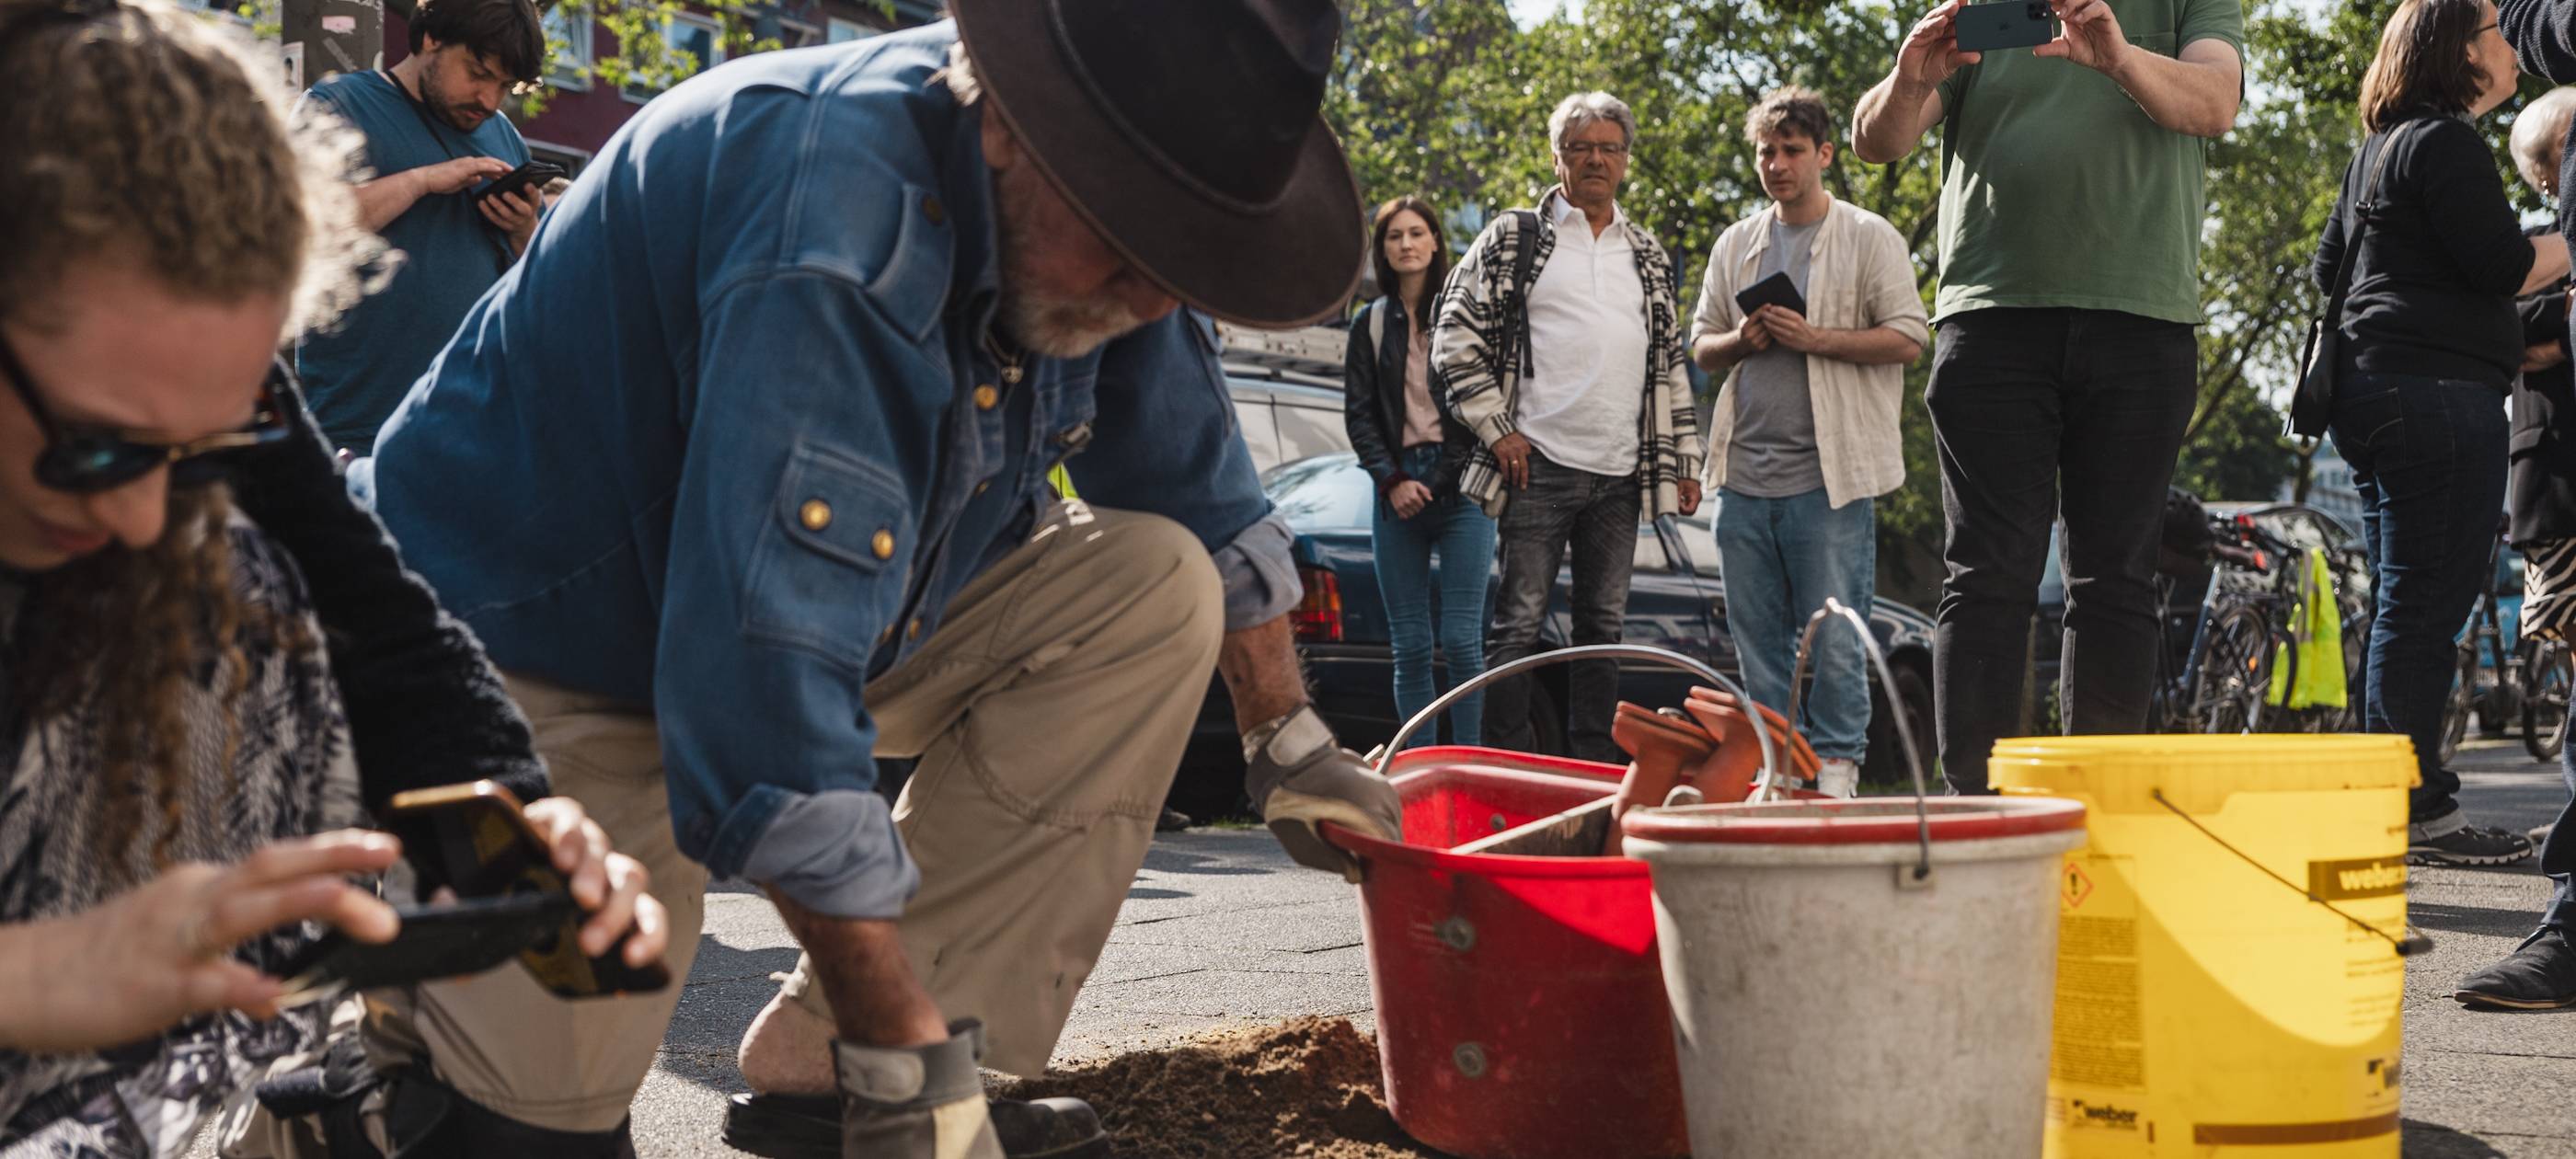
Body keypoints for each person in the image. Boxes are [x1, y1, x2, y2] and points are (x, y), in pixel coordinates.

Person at [350, 4, 1404, 1156]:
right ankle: (371, 1109)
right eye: (1132, 250)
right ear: (1009, 125)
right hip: (524, 638)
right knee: (508, 1130)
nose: (1152, 297)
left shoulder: (1106, 221)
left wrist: (1285, 739)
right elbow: (762, 676)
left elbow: (1189, 474)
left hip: (833, 614)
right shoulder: (828, 223)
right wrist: (895, 1034)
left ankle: (838, 1072)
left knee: (1149, 588)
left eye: (1180, 263)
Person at [0, 0, 662, 1151]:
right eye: (95, 447)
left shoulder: (223, 392)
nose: (144, 508)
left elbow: (379, 618)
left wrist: (518, 813)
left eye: (193, 446)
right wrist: (34, 977)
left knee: (261, 564)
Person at [1851, 0, 2245, 794]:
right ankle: (1977, 815)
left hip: (2143, 318)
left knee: (2115, 579)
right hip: (1993, 320)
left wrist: (2118, 56)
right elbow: (1877, 139)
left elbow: (2214, 103)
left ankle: (2094, 814)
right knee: (1988, 576)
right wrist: (1906, 78)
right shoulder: (1984, 6)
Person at [2314, 0, 2564, 866]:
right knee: (2424, 612)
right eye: (2499, 34)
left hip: (2371, 395)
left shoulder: (2374, 154)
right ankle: (2418, 811)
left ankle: (2393, 805)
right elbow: (2506, 264)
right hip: (2439, 399)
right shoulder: (2447, 142)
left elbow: (2325, 269)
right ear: (2458, 51)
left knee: (2399, 607)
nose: (2514, 50)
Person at [1433, 91, 1706, 764]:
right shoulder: (1514, 236)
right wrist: (1496, 429)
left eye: (1608, 148)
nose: (1595, 160)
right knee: (1518, 623)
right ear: (1556, 158)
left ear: (1625, 160)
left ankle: (1590, 775)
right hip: (1538, 461)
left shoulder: (1645, 252)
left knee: (1603, 630)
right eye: (1580, 147)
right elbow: (1452, 334)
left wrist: (1685, 462)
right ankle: (1504, 765)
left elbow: (1669, 362)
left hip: (1621, 470)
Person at [1687, 86, 1928, 798]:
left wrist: (1813, 339)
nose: (1778, 163)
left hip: (1830, 478)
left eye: (1793, 150)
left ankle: (1838, 770)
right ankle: (1777, 765)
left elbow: (1911, 337)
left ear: (1824, 153)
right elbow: (1701, 346)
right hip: (1743, 475)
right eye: (1767, 151)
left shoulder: (1869, 235)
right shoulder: (1737, 241)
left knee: (1836, 636)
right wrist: (1745, 338)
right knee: (1758, 643)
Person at [293, 0, 545, 454]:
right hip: (360, 434)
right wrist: (422, 181)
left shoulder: (504, 135)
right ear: (432, 38)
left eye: (505, 86)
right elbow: (302, 232)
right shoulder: (337, 105)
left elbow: (541, 280)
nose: (489, 100)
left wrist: (525, 230)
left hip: (477, 432)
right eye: (478, 72)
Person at [1345, 196, 1495, 748]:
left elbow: (1480, 410)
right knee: (1409, 644)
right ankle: (1420, 770)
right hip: (1396, 489)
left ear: (1435, 241)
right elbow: (1359, 415)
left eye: (1416, 233)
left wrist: (1432, 485)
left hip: (1460, 490)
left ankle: (1469, 762)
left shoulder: (1467, 316)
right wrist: (1392, 480)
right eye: (1393, 236)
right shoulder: (1371, 323)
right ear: (1382, 250)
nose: (1406, 244)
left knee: (1461, 640)